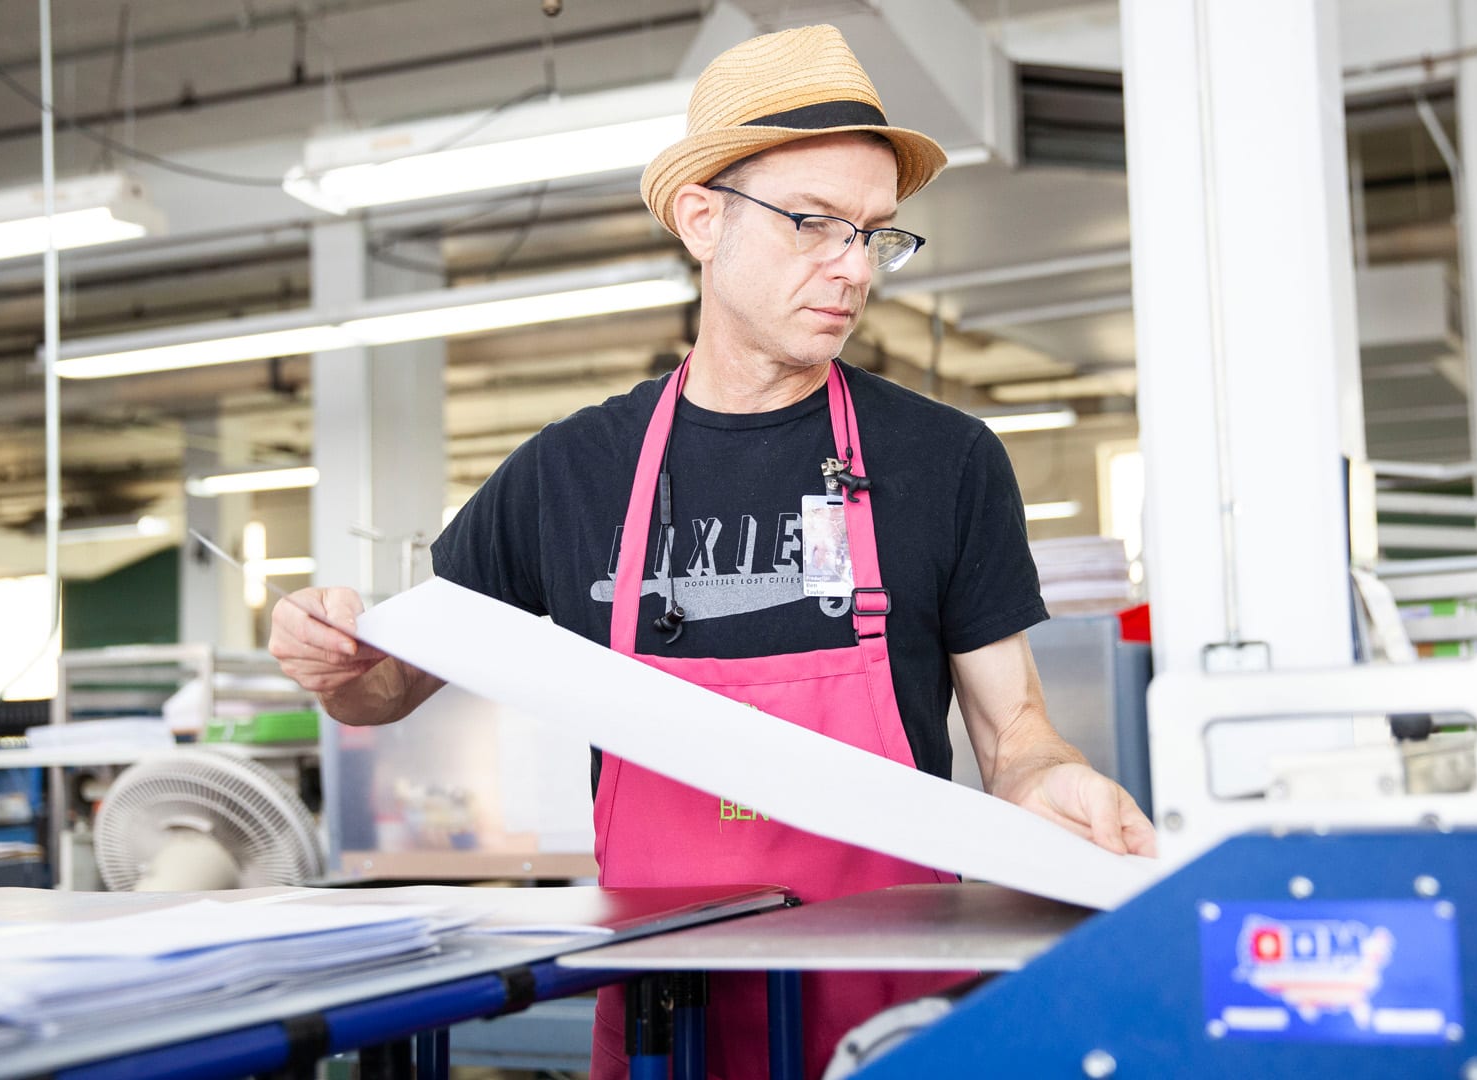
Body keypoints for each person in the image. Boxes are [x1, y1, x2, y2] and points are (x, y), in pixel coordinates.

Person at [269, 23, 1155, 1079]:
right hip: (662, 1021)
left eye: (875, 234)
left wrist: (1052, 783)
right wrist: (335, 656)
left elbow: (1016, 736)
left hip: (893, 1018)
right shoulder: (568, 473)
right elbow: (386, 691)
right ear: (701, 218)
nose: (853, 268)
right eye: (814, 224)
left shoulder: (945, 460)